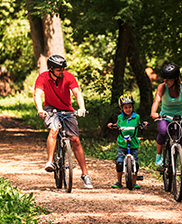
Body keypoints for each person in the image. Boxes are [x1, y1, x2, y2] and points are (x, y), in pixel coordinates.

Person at [34, 54, 93, 189]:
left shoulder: (68, 77)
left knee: (75, 140)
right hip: (50, 109)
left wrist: (81, 108)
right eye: (59, 69)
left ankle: (85, 174)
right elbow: (37, 94)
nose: (62, 71)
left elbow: (77, 93)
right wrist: (40, 109)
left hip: (67, 109)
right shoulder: (42, 78)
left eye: (63, 69)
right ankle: (50, 162)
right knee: (54, 130)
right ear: (51, 69)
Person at [150, 63, 182, 195]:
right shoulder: (162, 87)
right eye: (164, 79)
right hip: (165, 117)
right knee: (162, 131)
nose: (165, 82)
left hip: (180, 119)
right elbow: (156, 101)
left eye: (168, 79)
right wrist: (154, 113)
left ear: (176, 79)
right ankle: (159, 155)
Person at [107, 94, 148, 189]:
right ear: (122, 108)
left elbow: (140, 124)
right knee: (120, 162)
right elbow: (117, 125)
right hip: (122, 143)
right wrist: (112, 125)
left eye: (130, 107)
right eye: (125, 107)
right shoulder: (120, 118)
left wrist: (144, 124)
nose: (128, 109)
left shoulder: (136, 117)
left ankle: (134, 182)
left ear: (133, 107)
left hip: (133, 143)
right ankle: (119, 182)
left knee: (135, 163)